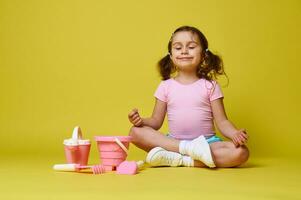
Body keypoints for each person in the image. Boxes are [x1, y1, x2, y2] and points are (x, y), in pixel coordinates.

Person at [128, 26, 249, 168]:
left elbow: (222, 122)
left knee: (241, 152)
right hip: (173, 142)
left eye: (191, 47)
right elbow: (156, 121)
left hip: (207, 144)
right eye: (178, 48)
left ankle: (180, 160)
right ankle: (187, 150)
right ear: (171, 55)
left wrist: (235, 133)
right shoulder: (165, 86)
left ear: (203, 55)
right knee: (135, 132)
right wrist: (141, 121)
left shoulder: (210, 86)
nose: (184, 51)